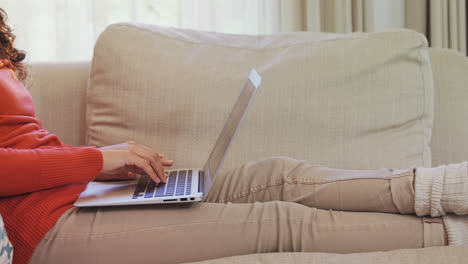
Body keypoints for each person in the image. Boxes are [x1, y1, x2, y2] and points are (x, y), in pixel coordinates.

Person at [0, 7, 466, 264]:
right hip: (49, 230)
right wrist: (96, 160)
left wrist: (98, 167)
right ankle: (450, 236)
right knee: (278, 221)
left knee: (278, 175)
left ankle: (443, 188)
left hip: (82, 194)